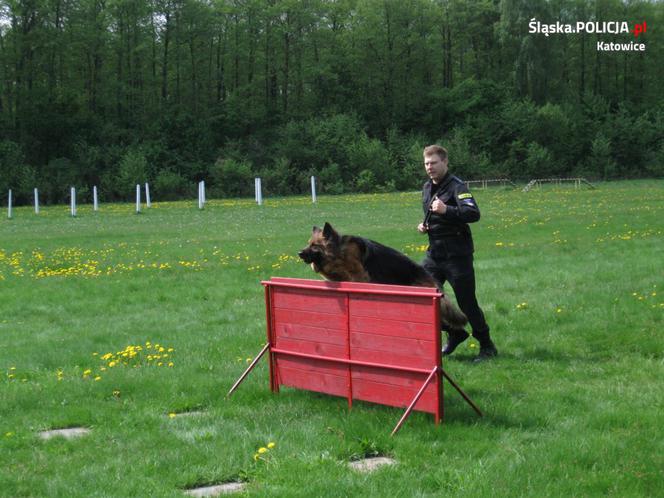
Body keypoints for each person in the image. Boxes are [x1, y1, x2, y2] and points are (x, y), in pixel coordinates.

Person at [417, 144, 497, 362]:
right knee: (422, 296)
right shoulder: (426, 187)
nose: (429, 167)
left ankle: (487, 345)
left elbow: (473, 213)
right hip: (434, 255)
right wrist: (424, 225)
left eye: (433, 163)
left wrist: (447, 210)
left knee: (466, 303)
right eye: (426, 163)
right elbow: (433, 215)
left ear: (445, 162)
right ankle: (455, 332)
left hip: (457, 256)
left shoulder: (457, 187)